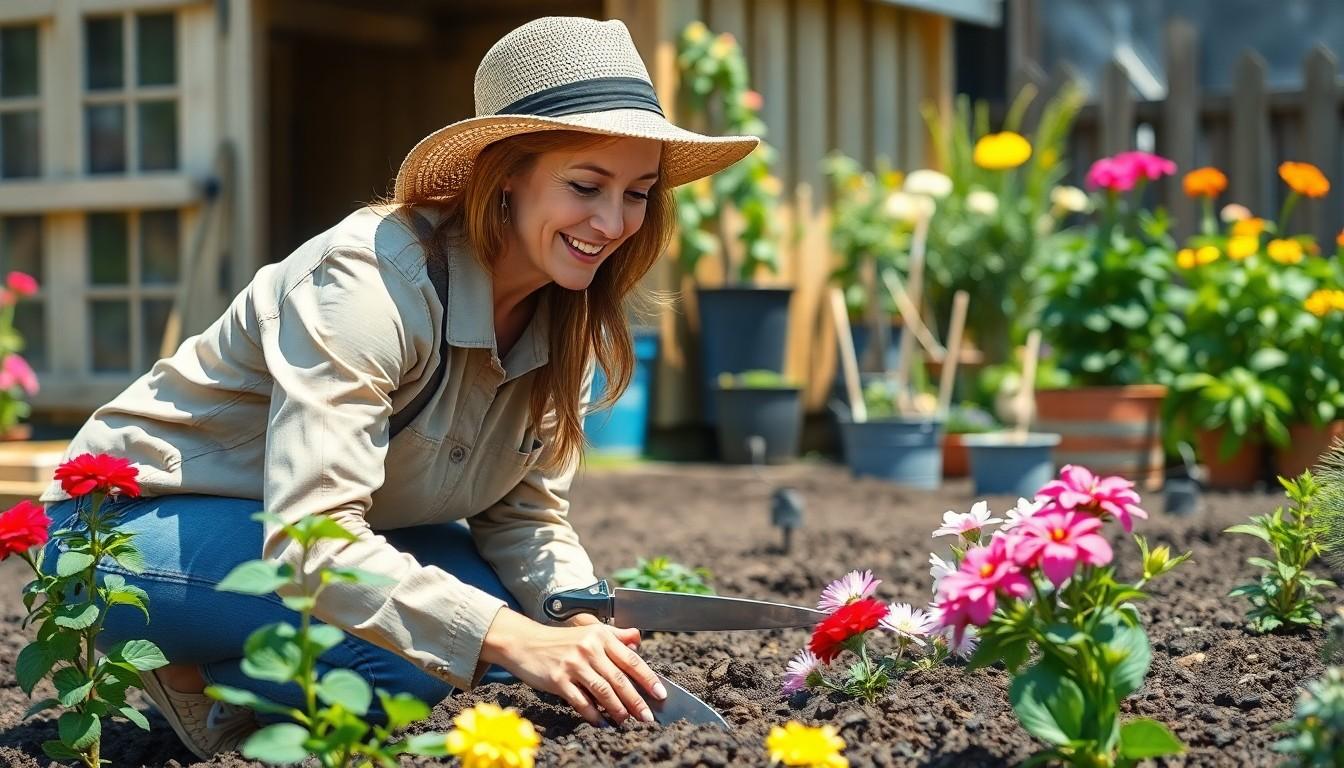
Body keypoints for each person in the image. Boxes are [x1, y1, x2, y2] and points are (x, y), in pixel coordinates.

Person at [38, 15, 757, 759]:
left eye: (638, 194)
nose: (613, 224)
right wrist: (510, 639)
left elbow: (524, 519)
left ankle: (227, 674)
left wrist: (571, 622)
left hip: (291, 537)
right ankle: (196, 682)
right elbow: (309, 539)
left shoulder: (564, 316)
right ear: (505, 174)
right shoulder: (370, 284)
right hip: (128, 537)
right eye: (585, 185)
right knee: (443, 652)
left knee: (487, 624)